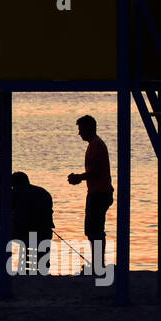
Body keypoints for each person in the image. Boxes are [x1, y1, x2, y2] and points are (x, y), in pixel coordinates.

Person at [68, 114, 113, 273]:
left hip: (99, 193)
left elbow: (96, 171)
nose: (79, 133)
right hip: (99, 191)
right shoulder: (95, 144)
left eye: (81, 129)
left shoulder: (96, 145)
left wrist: (79, 177)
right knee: (93, 229)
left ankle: (98, 265)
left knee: (94, 230)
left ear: (89, 128)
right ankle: (97, 264)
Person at [0, 172, 55, 271]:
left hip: (23, 231)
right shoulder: (43, 192)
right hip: (44, 232)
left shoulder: (15, 193)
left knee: (0, 229)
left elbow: (7, 214)